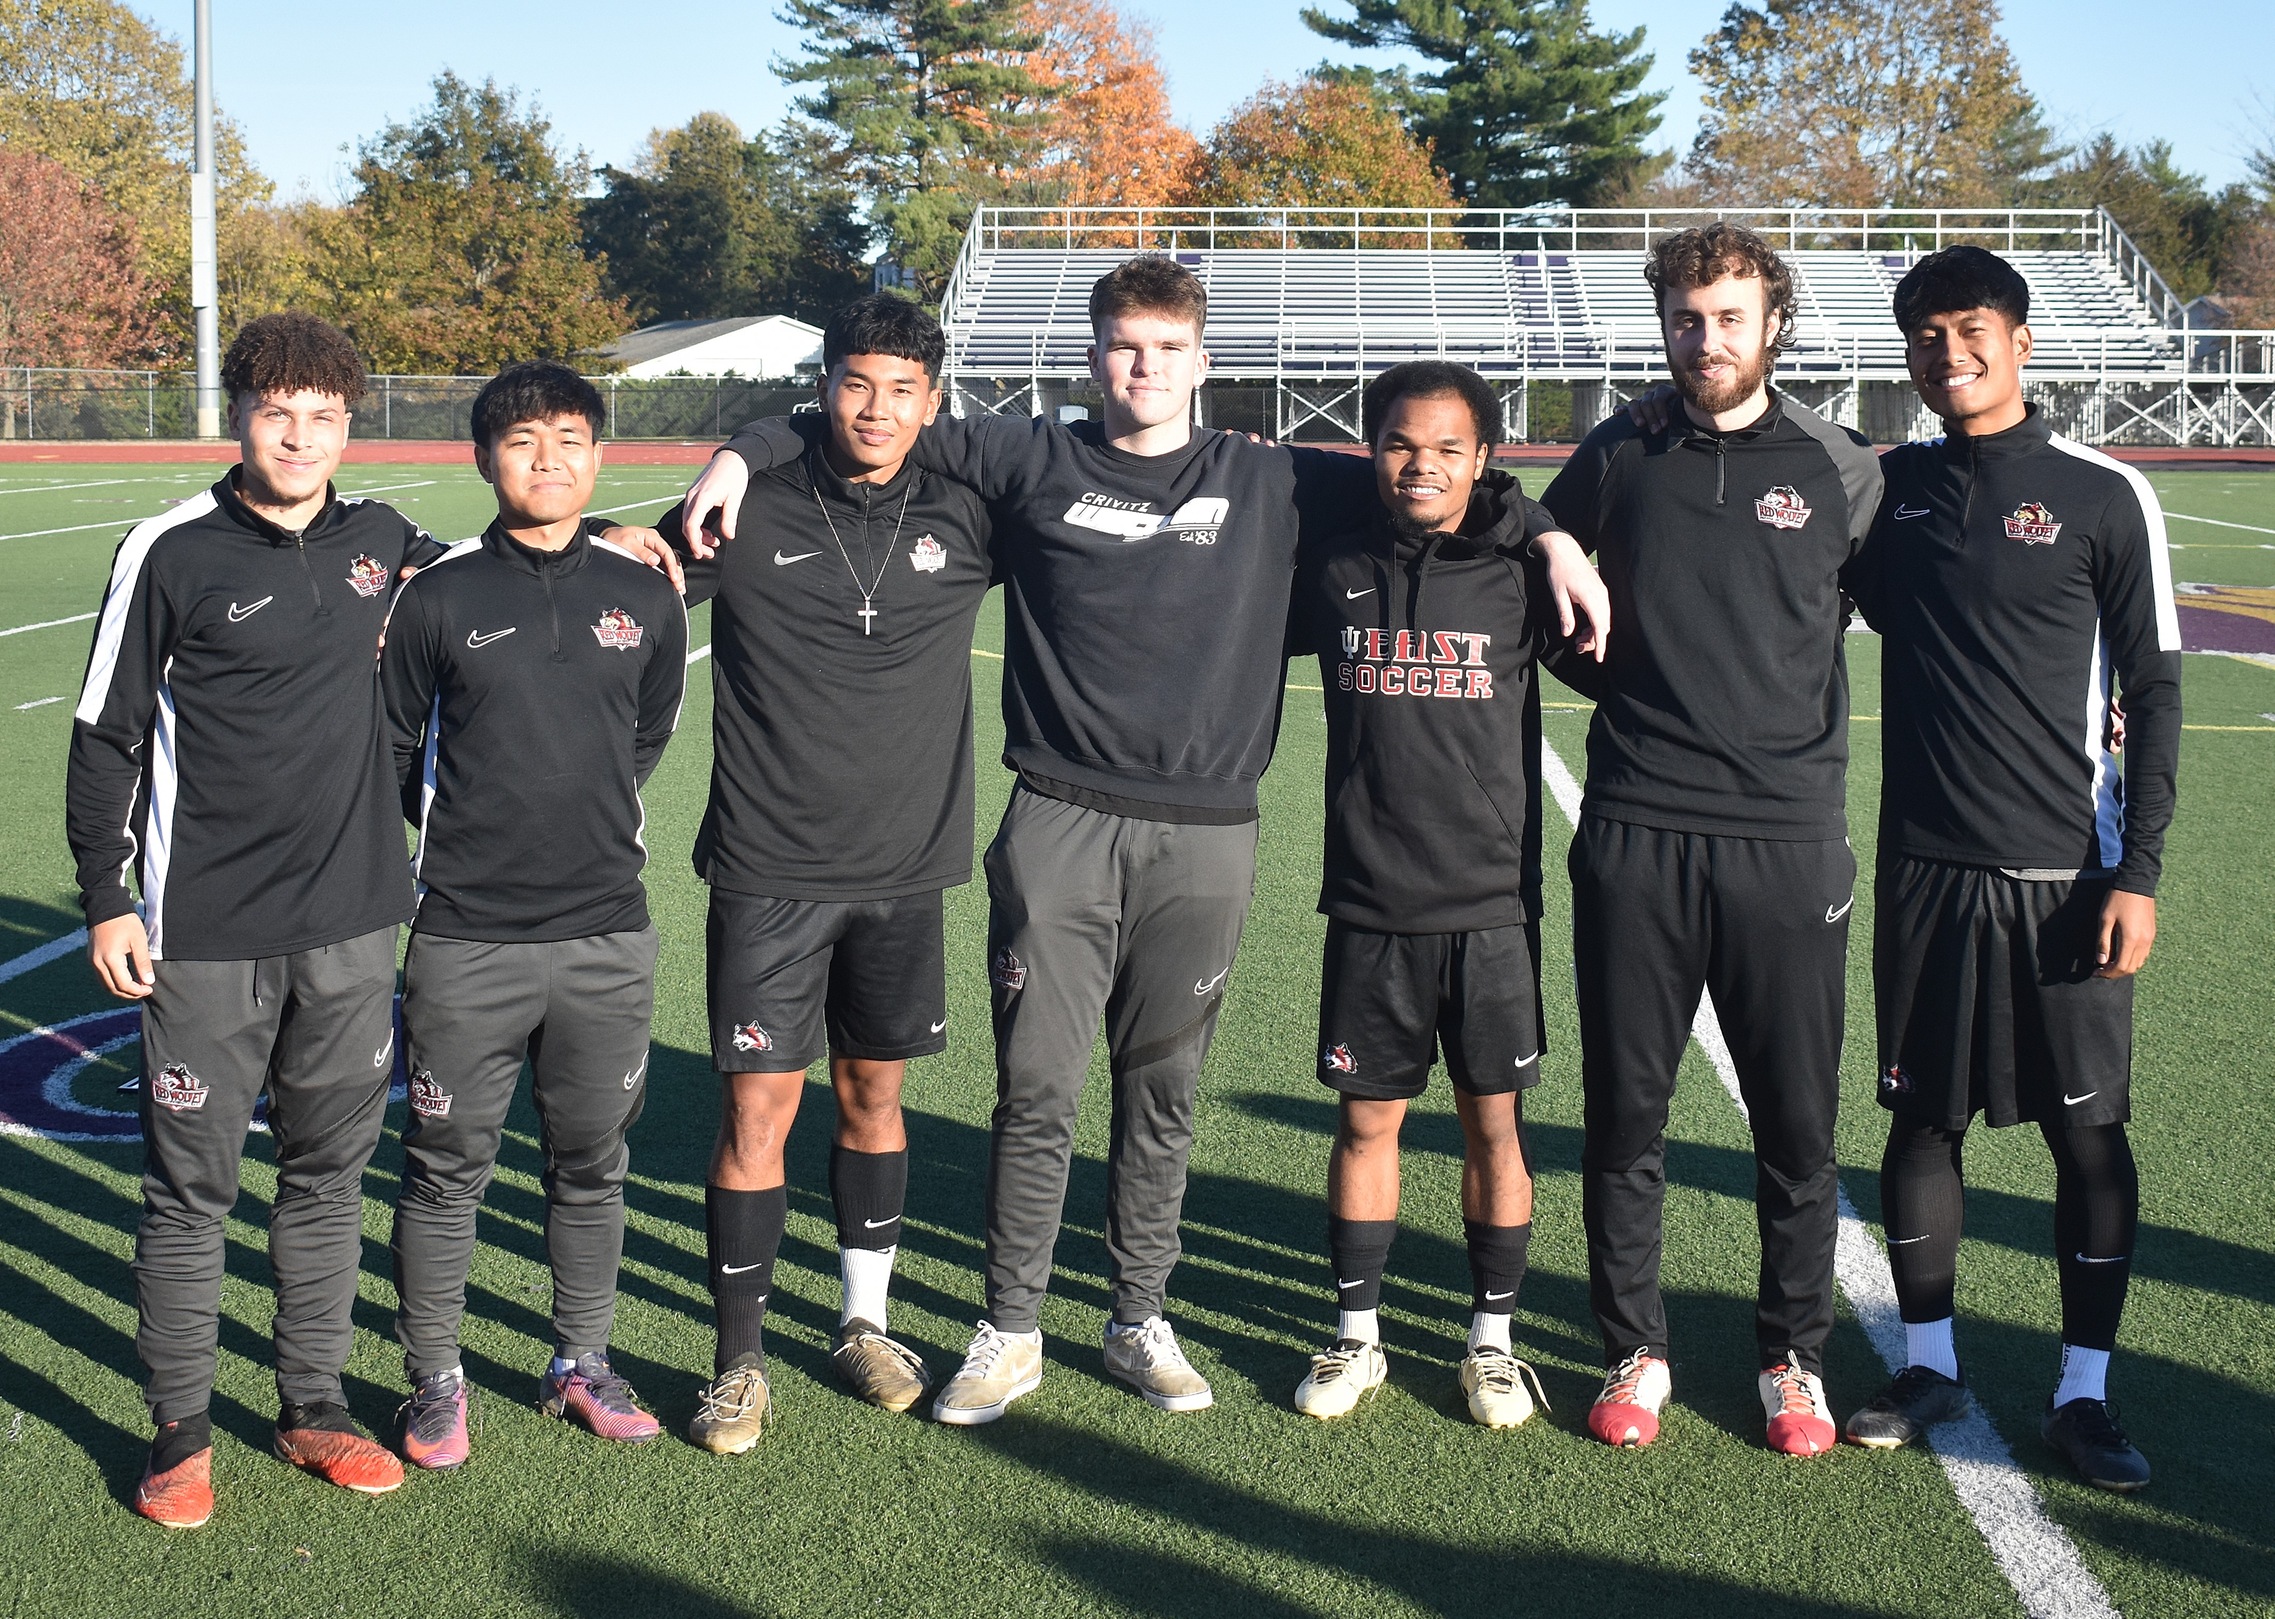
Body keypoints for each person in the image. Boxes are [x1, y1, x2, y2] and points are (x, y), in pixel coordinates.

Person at [678, 256, 1614, 1425]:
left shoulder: (1273, 476)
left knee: (1162, 1089)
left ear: (1203, 363)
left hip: (1207, 833)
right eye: (1123, 346)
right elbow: (868, 408)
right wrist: (736, 450)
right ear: (1090, 357)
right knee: (1036, 1090)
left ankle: (1137, 1316)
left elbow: (1433, 478)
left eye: (1168, 350)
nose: (1143, 368)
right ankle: (1009, 1326)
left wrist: (1552, 536)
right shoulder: (1028, 454)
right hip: (1061, 818)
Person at [67, 313, 439, 1527]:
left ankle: (312, 1404)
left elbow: (509, 568)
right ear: (239, 417)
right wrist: (108, 899)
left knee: (329, 1176)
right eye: (278, 412)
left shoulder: (386, 540)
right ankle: (179, 1428)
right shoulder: (170, 547)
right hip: (205, 930)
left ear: (349, 425)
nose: (301, 435)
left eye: (324, 416)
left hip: (351, 922)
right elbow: (105, 734)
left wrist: (627, 543)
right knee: (194, 1188)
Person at [612, 297, 995, 1453]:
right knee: (757, 1107)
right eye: (855, 383)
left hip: (906, 867)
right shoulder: (749, 502)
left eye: (901, 389)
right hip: (770, 867)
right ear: (824, 385)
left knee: (875, 1097)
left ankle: (862, 1319)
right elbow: (609, 572)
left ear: (934, 399)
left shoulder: (971, 510)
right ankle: (738, 1361)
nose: (876, 409)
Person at [1539, 223, 1882, 1456]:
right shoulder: (1619, 451)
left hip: (1788, 838)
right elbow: (1534, 565)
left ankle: (1793, 1356)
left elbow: (1929, 613)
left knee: (1795, 1121)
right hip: (1636, 827)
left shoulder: (1842, 467)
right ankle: (1636, 1346)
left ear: (1772, 321)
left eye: (1729, 316)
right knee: (1627, 1113)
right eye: (1686, 317)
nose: (1706, 339)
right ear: (1663, 324)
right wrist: (1549, 536)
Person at [1838, 247, 2177, 1491]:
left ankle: (2084, 1392)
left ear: (2020, 339)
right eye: (1924, 335)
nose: (1948, 353)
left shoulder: (2101, 493)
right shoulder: (1896, 491)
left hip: (2066, 876)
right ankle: (1926, 1360)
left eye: (1969, 329)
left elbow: (2154, 685)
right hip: (1927, 865)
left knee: (2088, 1135)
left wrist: (2134, 869)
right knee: (1921, 1117)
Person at [379, 362, 688, 1467]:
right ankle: (433, 1377)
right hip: (466, 936)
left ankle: (581, 1357)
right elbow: (397, 747)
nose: (547, 459)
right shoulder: (439, 593)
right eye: (521, 441)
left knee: (591, 1162)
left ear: (599, 454)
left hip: (606, 933)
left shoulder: (648, 593)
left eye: (568, 438)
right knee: (443, 1166)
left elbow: (643, 736)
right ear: (483, 459)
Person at [1282, 361, 1596, 1429]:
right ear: (1373, 448)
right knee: (1366, 1124)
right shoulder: (1329, 565)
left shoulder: (1518, 570)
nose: (1421, 464)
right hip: (1370, 902)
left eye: (1448, 447)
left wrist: (1543, 526)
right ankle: (1356, 1333)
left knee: (1492, 1128)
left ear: (1484, 459)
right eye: (1400, 443)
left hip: (1490, 906)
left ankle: (1491, 1340)